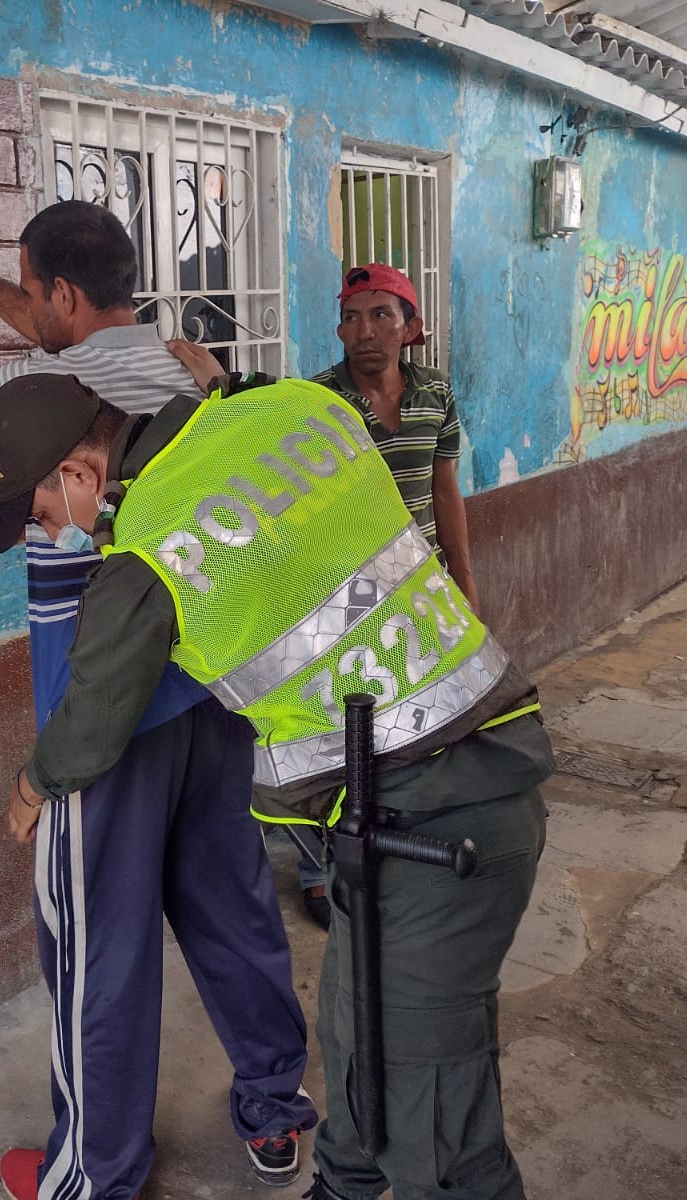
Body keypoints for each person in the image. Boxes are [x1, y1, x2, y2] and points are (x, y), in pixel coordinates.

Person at [0, 364, 554, 1200]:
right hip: (445, 762)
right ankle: (339, 1180)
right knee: (355, 1038)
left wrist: (30, 789)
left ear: (79, 476)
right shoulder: (293, 406)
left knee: (439, 1138)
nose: (56, 529)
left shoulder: (148, 552)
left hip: (436, 816)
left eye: (43, 513)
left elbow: (91, 721)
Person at [0, 194, 316, 1198]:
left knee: (97, 949)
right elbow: (64, 330)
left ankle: (91, 1174)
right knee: (231, 904)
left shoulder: (36, 388)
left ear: (59, 292)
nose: (20, 307)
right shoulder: (183, 364)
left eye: (26, 289)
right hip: (210, 685)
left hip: (102, 708)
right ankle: (275, 1113)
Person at [285, 262, 479, 928]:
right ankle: (319, 867)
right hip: (342, 600)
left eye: (380, 316)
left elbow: (445, 491)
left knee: (411, 726)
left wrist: (465, 586)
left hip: (421, 596)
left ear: (411, 328)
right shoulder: (319, 401)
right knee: (334, 734)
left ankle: (387, 843)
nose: (363, 332)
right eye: (351, 317)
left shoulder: (436, 394)